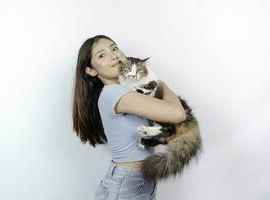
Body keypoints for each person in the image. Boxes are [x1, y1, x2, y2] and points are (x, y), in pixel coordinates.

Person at [72, 35, 186, 199]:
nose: (113, 56)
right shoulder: (114, 93)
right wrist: (158, 82)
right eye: (101, 55)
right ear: (91, 70)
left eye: (114, 48)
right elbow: (177, 114)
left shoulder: (129, 91)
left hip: (139, 181)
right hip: (126, 184)